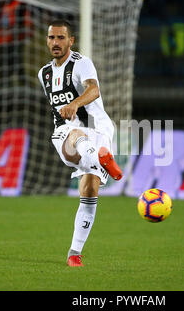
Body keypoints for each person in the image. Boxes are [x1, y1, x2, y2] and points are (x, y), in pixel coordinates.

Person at [37, 20, 122, 267]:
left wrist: (75, 103)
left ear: (71, 41)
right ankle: (101, 159)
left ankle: (74, 253)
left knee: (89, 191)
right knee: (75, 137)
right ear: (47, 40)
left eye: (61, 38)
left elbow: (94, 90)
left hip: (98, 129)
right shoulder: (45, 74)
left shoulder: (81, 63)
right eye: (51, 37)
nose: (55, 42)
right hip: (66, 132)